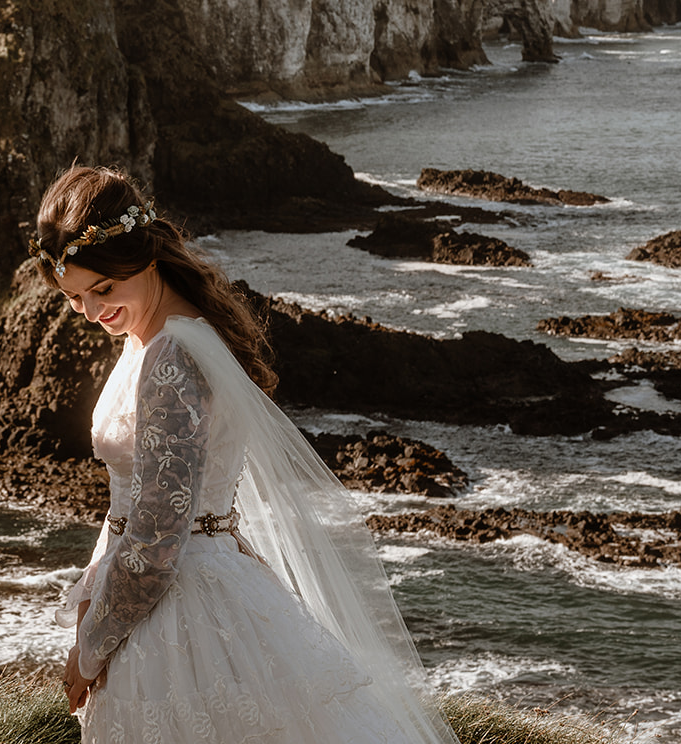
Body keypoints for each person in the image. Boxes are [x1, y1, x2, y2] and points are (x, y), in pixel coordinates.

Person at [31, 166, 458, 744]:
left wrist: (89, 653)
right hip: (199, 584)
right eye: (76, 296)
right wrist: (93, 593)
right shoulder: (169, 334)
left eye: (103, 289)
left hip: (177, 614)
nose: (89, 311)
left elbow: (157, 539)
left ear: (146, 255)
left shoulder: (171, 358)